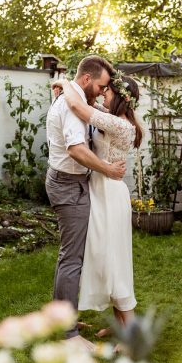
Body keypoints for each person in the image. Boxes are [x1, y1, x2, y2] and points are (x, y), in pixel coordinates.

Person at [45, 56, 126, 348]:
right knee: (72, 259)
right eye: (102, 85)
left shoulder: (77, 97)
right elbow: (77, 149)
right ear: (87, 79)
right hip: (68, 186)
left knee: (69, 255)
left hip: (72, 183)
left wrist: (62, 84)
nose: (103, 92)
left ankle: (62, 318)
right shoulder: (72, 104)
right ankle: (68, 336)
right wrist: (108, 170)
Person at [57, 71, 142, 335]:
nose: (103, 93)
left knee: (114, 262)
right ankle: (120, 326)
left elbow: (76, 104)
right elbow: (83, 103)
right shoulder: (113, 118)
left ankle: (132, 336)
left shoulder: (121, 124)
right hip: (100, 189)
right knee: (107, 259)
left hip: (109, 194)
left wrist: (63, 82)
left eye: (108, 91)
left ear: (119, 97)